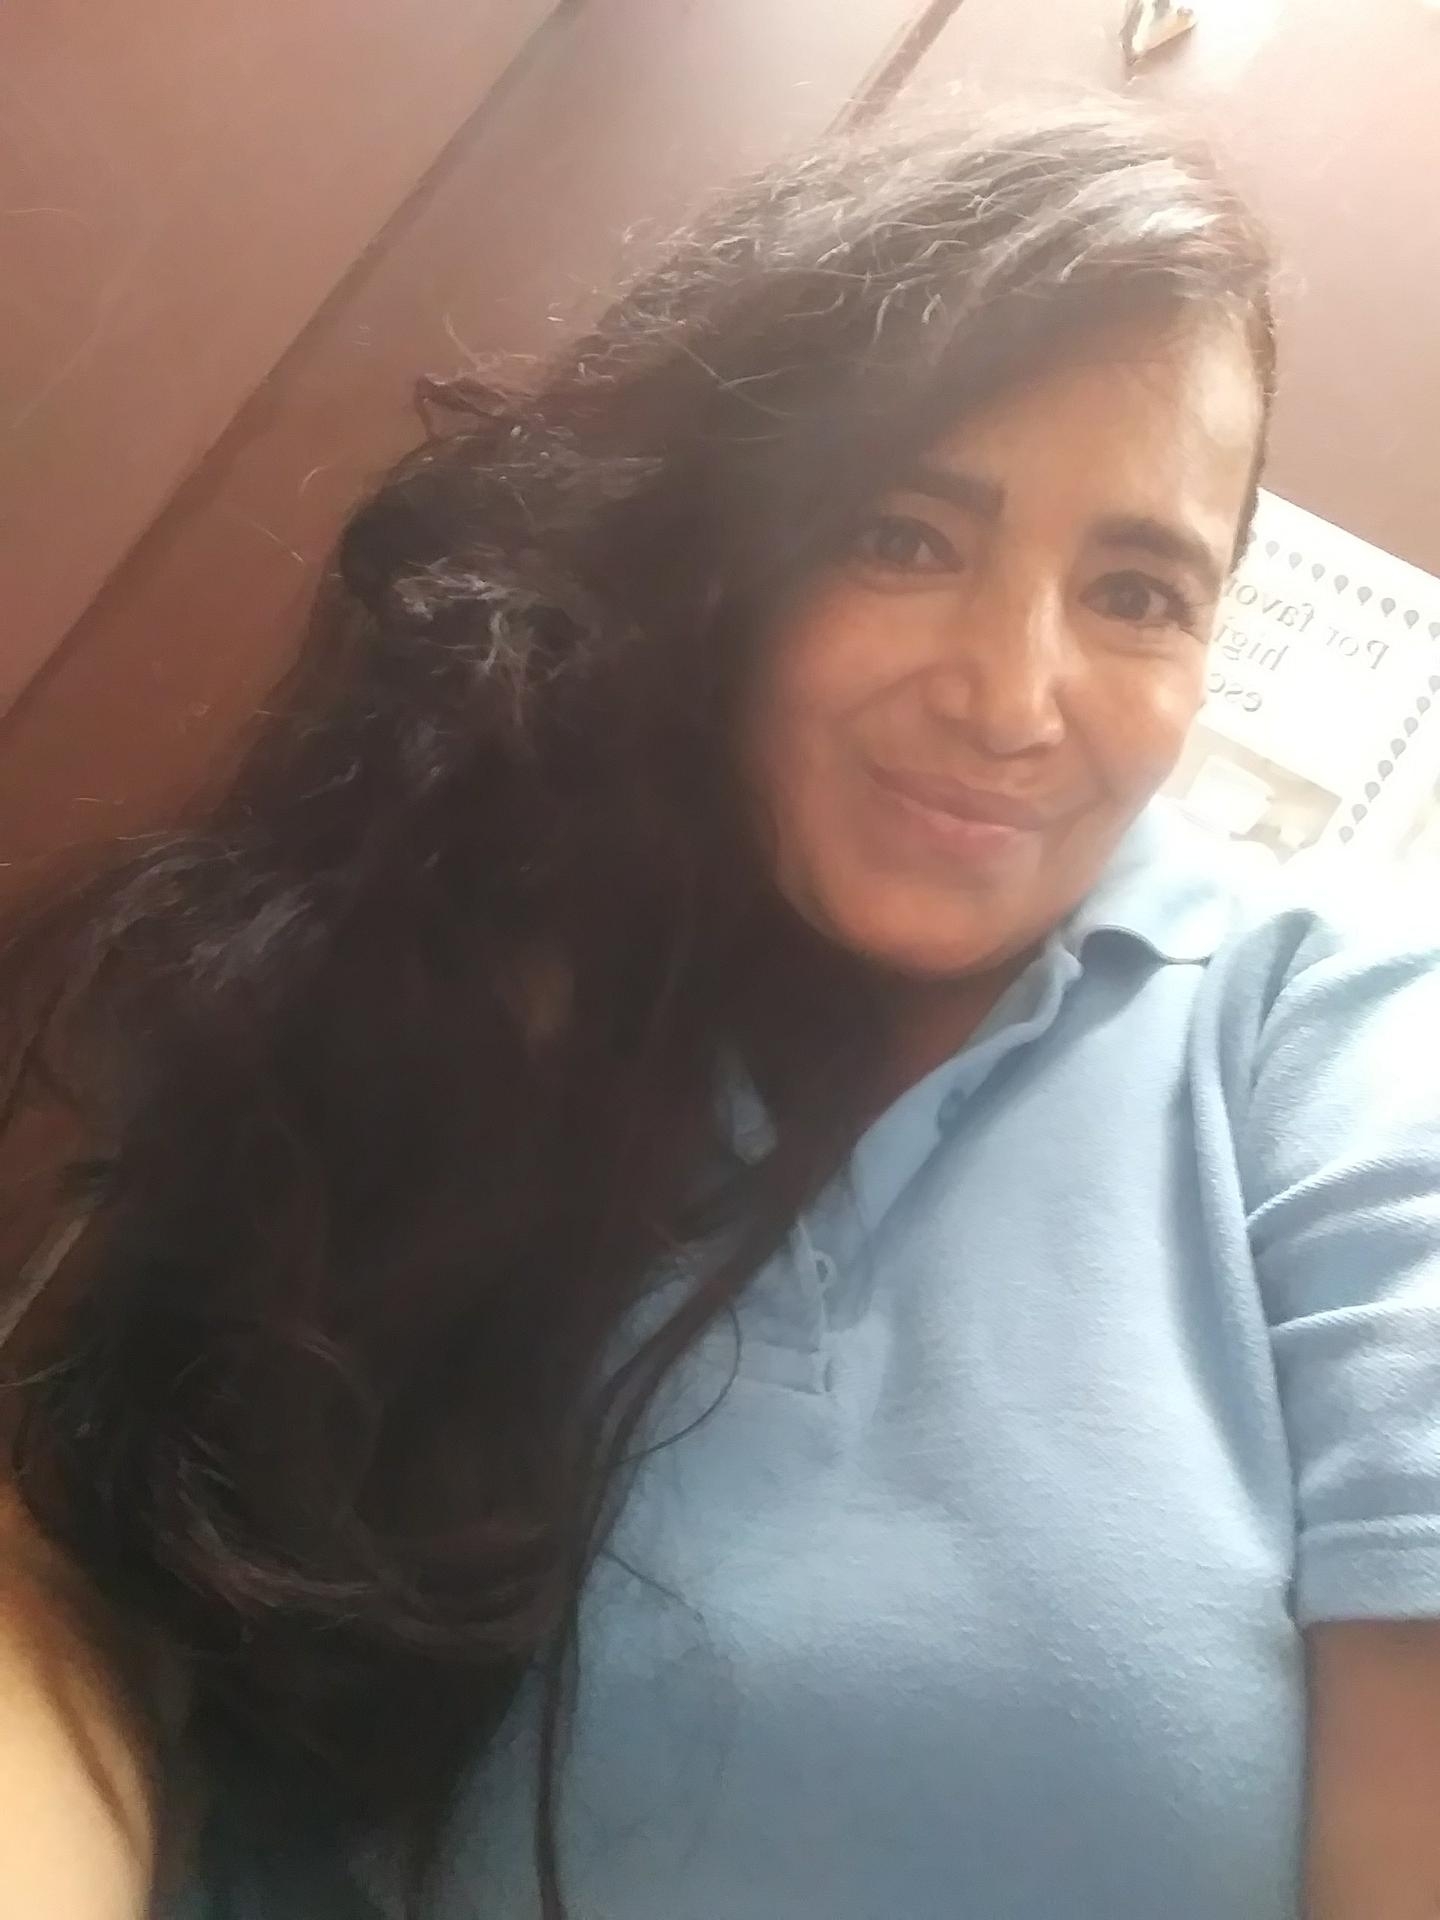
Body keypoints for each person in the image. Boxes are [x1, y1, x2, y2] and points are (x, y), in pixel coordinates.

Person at [3, 101, 1440, 1920]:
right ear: (725, 546)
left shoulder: (1338, 1042)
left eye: (1139, 592)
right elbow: (81, 1593)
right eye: (905, 537)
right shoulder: (431, 965)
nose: (1014, 697)